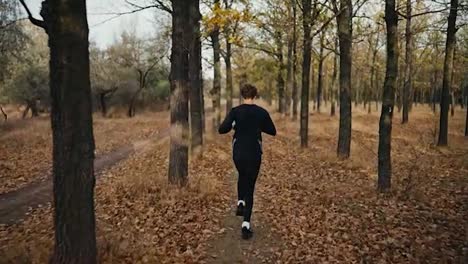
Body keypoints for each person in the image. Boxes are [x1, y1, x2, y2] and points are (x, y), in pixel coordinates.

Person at [218, 83, 276, 239]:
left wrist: (234, 125)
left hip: (238, 152)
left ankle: (240, 203)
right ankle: (246, 225)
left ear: (242, 95)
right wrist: (258, 125)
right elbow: (273, 131)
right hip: (254, 152)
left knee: (241, 175)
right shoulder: (261, 112)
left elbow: (222, 129)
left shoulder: (235, 112)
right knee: (250, 185)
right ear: (255, 95)